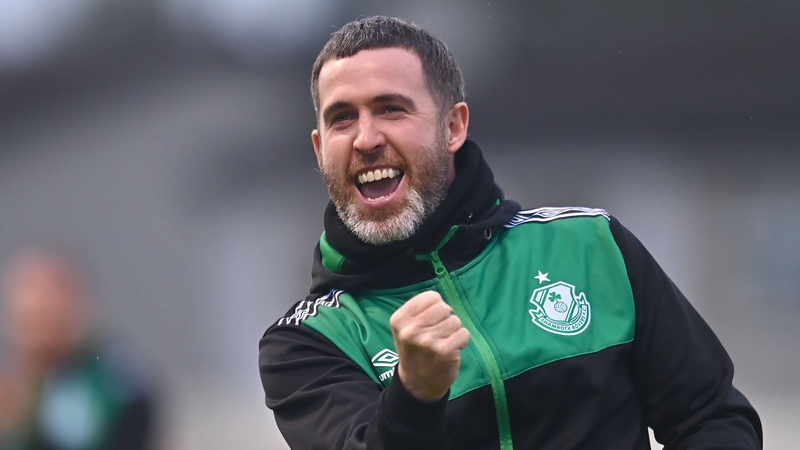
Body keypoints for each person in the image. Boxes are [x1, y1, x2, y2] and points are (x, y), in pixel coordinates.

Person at [258, 16, 762, 449]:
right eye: (343, 118)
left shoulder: (590, 245)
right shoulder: (304, 342)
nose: (367, 138)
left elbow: (712, 418)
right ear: (321, 149)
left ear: (453, 128)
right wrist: (415, 395)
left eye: (392, 108)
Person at [0, 246, 156, 450]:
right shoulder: (13, 385)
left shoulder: (112, 377)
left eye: (59, 289)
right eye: (31, 291)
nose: (46, 303)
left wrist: (32, 420)